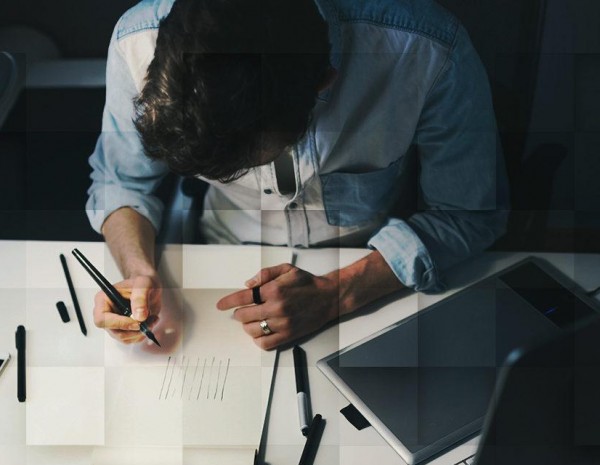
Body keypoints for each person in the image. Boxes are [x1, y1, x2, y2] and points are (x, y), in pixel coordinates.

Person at [87, 0, 508, 349]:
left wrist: (337, 294)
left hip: (370, 263)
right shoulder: (136, 42)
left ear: (324, 84)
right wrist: (138, 270)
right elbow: (120, 182)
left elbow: (469, 212)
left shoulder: (425, 49)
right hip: (220, 255)